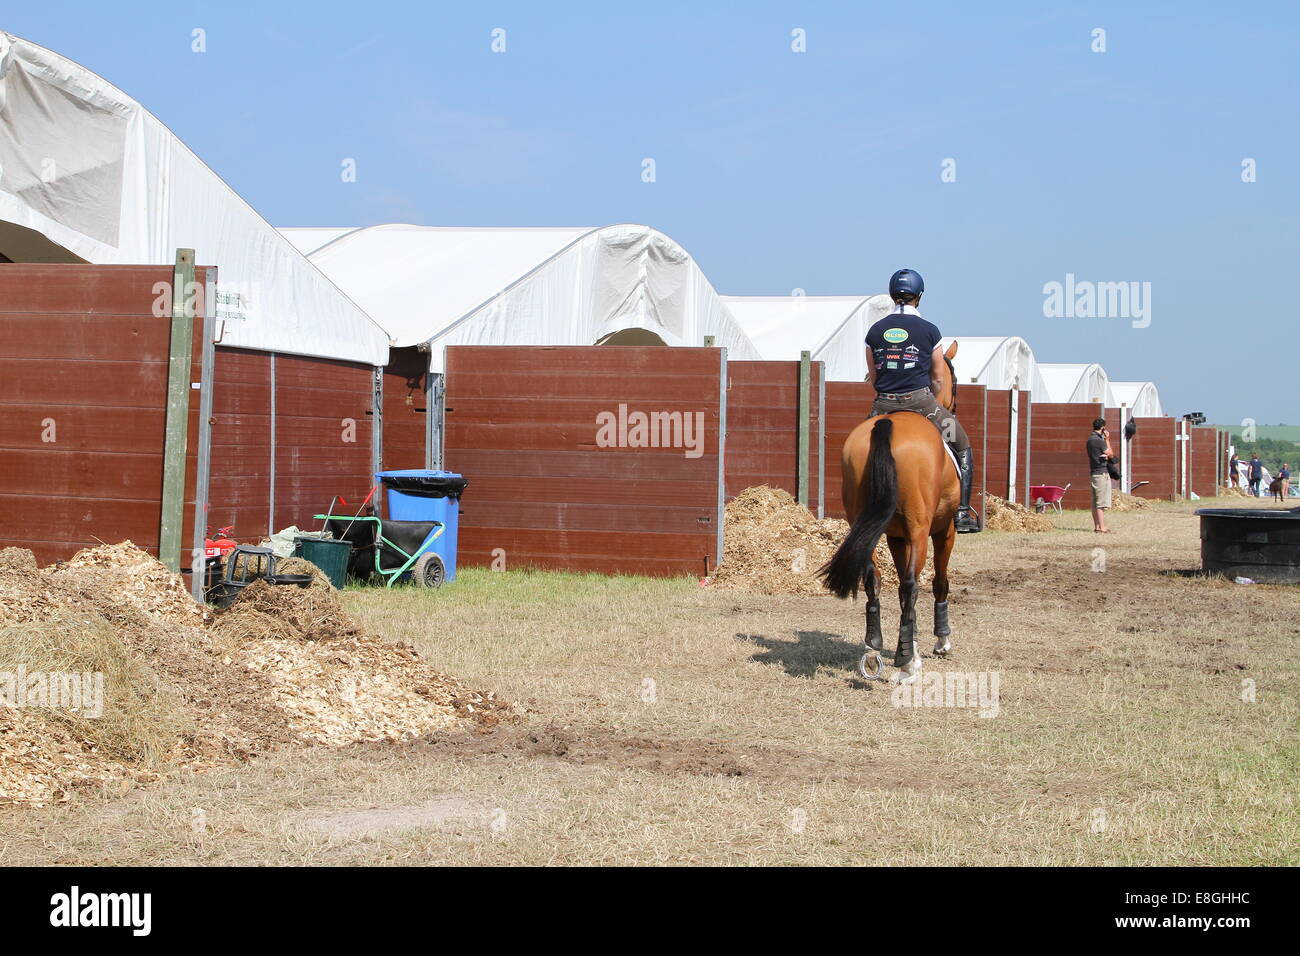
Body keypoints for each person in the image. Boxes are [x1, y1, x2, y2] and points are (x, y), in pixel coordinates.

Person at [865, 268, 980, 533]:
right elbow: (938, 378)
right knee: (962, 444)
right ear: (919, 296)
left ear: (893, 295)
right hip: (921, 403)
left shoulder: (874, 331)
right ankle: (962, 512)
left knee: (856, 447)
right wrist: (934, 400)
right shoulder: (930, 331)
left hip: (882, 405)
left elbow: (873, 376)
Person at [1086, 418, 1113, 533]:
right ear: (1102, 427)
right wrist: (1107, 439)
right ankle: (1102, 528)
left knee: (1094, 501)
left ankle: (1097, 526)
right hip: (1101, 473)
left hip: (1093, 472)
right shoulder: (1099, 440)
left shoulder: (1090, 440)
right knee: (1100, 503)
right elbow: (1111, 454)